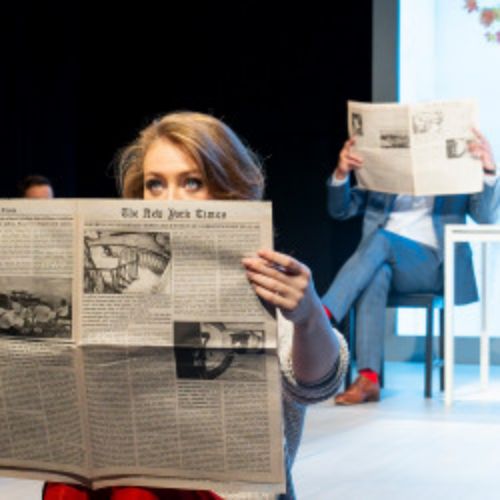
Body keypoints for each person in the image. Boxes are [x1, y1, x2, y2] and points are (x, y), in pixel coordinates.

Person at [43, 111, 349, 500]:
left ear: (228, 190)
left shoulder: (264, 279)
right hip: (132, 469)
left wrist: (308, 318)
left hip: (226, 490)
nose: (170, 201)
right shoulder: (121, 286)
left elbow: (316, 385)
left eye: (192, 182)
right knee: (71, 478)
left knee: (136, 489)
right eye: (155, 185)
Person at [322, 130, 499, 405]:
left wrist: (488, 170)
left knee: (380, 240)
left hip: (431, 264)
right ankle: (368, 379)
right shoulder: (386, 171)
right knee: (376, 274)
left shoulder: (456, 169)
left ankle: (321, 315)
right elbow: (340, 210)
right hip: (382, 261)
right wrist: (342, 173)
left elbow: (486, 217)